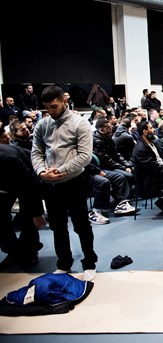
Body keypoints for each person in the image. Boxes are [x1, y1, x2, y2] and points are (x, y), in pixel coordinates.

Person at [31, 85, 98, 280]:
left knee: (81, 225)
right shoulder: (42, 125)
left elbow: (85, 156)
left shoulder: (80, 124)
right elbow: (36, 152)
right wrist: (41, 171)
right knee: (58, 227)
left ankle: (89, 262)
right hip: (50, 184)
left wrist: (58, 171)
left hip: (74, 181)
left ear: (64, 102)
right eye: (46, 108)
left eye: (53, 106)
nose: (50, 111)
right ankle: (64, 263)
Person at [0, 144, 46, 269]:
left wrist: (37, 213)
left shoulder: (8, 158)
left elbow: (31, 184)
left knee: (28, 218)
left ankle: (30, 251)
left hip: (25, 179)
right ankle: (14, 252)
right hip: (3, 186)